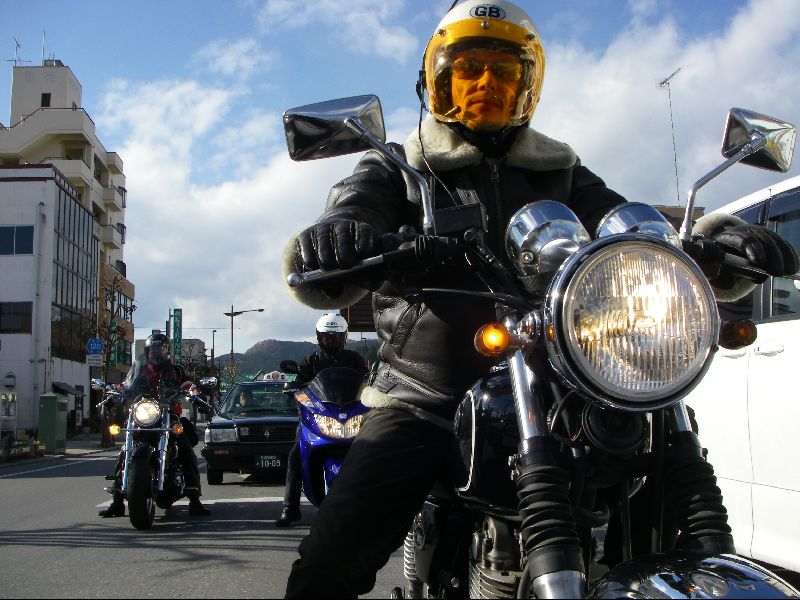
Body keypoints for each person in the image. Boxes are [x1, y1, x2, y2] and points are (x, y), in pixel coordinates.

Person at [280, 1, 799, 596]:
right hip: (428, 393)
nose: (485, 83)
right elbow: (356, 204)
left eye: (503, 71)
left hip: (564, 379)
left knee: (661, 437)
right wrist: (338, 233)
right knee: (330, 559)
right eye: (468, 69)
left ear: (528, 86)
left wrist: (715, 242)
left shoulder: (561, 171)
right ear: (436, 81)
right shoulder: (401, 166)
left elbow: (626, 226)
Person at [98, 333, 211, 518]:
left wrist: (195, 392)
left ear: (167, 351)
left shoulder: (176, 370)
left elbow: (188, 384)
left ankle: (194, 498)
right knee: (125, 451)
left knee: (185, 448)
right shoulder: (140, 369)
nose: (156, 353)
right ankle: (117, 501)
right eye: (153, 349)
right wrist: (115, 394)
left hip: (169, 415)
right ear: (147, 351)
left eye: (160, 349)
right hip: (144, 414)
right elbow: (126, 384)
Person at [275, 313, 369, 527]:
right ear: (319, 337)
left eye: (335, 337)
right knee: (295, 456)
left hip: (351, 415)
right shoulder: (311, 360)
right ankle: (290, 508)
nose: (331, 341)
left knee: (376, 447)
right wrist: (294, 389)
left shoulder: (354, 359)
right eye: (327, 337)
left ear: (344, 337)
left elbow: (366, 379)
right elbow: (300, 383)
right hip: (319, 417)